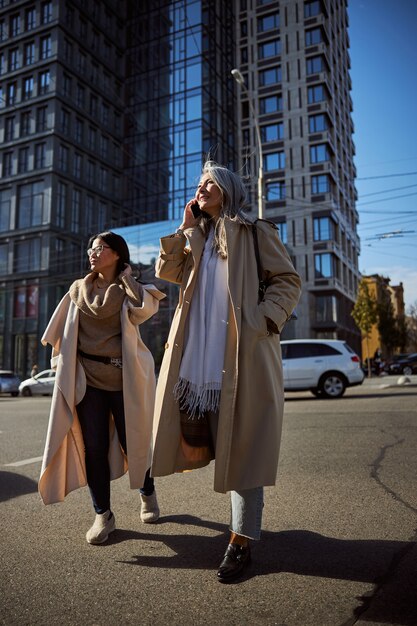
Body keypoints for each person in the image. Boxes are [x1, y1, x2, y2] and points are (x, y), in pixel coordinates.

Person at [151, 161, 301, 582]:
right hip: (199, 363)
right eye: (198, 184)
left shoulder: (254, 231)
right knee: (227, 448)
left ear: (228, 189)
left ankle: (240, 542)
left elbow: (288, 280)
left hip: (242, 358)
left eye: (208, 183)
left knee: (244, 452)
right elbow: (167, 272)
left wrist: (262, 321)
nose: (200, 189)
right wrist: (184, 228)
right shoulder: (197, 235)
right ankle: (240, 532)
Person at [39, 231, 165, 545]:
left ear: (118, 255)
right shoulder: (77, 290)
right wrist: (61, 363)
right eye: (91, 248)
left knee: (132, 441)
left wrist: (127, 279)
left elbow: (144, 310)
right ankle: (103, 515)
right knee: (92, 447)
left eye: (101, 248)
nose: (93, 252)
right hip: (88, 380)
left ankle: (146, 492)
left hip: (125, 380)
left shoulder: (128, 290)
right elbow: (59, 332)